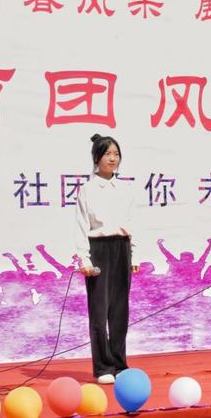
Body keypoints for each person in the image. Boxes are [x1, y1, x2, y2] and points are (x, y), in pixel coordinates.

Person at [75, 134, 139, 384]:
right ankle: (103, 367)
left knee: (120, 311)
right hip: (98, 249)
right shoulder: (87, 190)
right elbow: (81, 226)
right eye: (107, 154)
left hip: (121, 248)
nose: (113, 159)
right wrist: (84, 259)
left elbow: (132, 224)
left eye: (116, 154)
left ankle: (120, 363)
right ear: (96, 158)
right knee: (99, 312)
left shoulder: (125, 189)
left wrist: (134, 254)